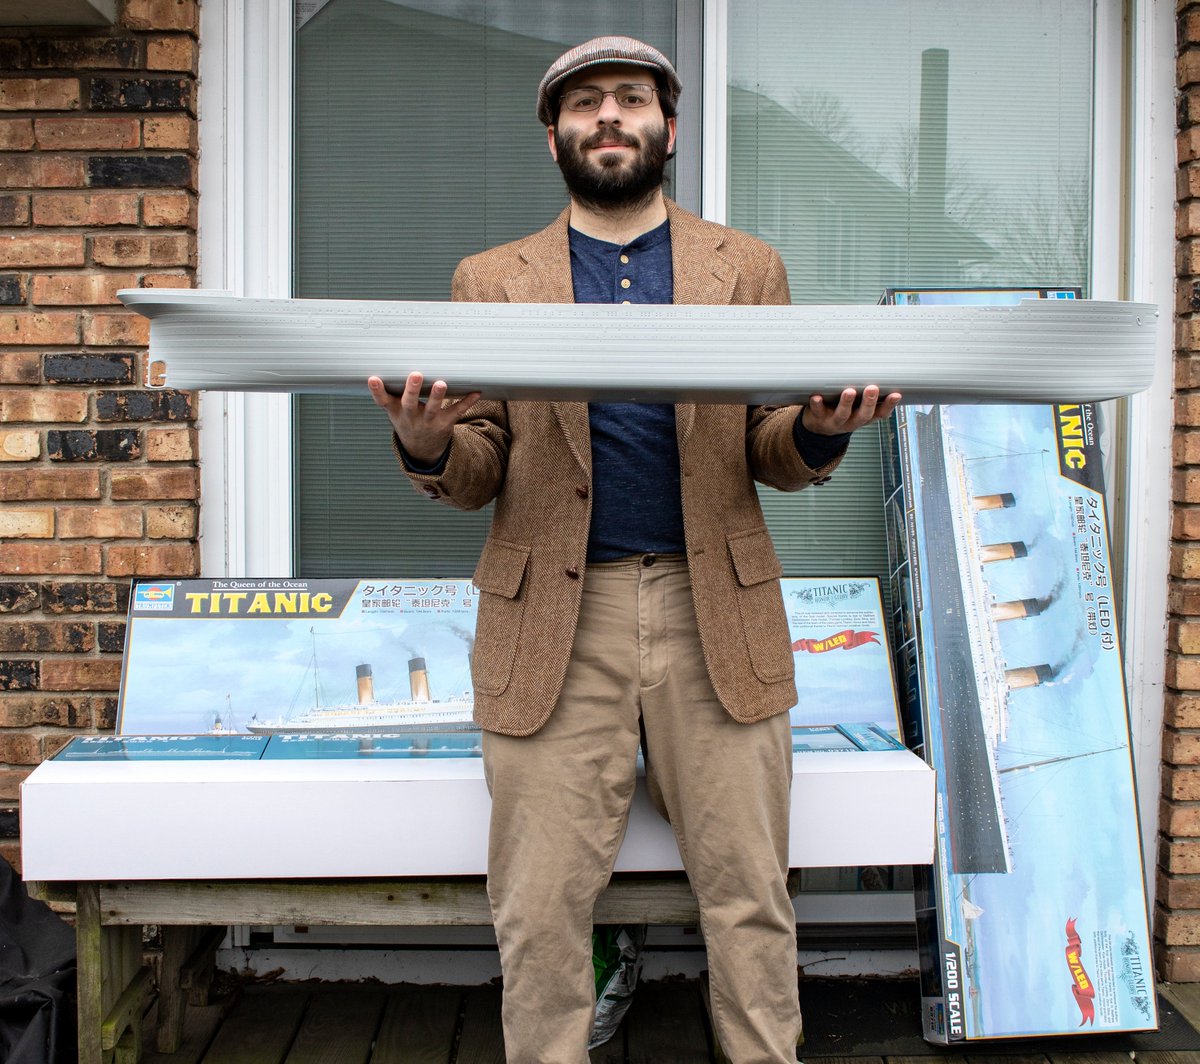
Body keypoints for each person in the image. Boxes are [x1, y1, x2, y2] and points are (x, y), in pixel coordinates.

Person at [369, 36, 900, 1064]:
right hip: (553, 622)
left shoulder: (746, 268)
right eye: (584, 103)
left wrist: (819, 429)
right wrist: (426, 443)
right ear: (554, 137)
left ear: (668, 126)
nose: (608, 116)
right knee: (538, 905)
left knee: (750, 893)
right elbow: (479, 464)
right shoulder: (490, 279)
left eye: (629, 98)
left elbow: (769, 449)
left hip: (717, 609)